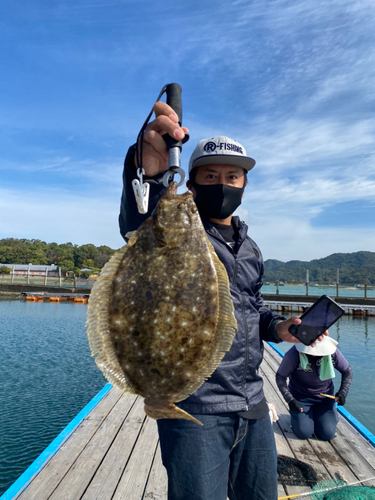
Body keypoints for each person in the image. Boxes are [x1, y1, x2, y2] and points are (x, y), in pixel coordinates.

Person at [119, 101, 327, 500]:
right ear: (192, 183)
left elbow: (253, 306)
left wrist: (278, 327)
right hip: (193, 405)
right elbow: (139, 221)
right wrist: (146, 170)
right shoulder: (172, 229)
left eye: (233, 176)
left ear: (244, 185)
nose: (223, 183)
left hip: (251, 399)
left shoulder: (250, 248)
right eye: (211, 175)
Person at [276, 336, 353, 441]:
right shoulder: (294, 354)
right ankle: (298, 418)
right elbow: (280, 376)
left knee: (327, 434)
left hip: (325, 398)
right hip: (301, 397)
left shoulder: (333, 353)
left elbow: (347, 371)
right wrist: (289, 399)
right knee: (304, 432)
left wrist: (343, 392)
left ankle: (319, 418)